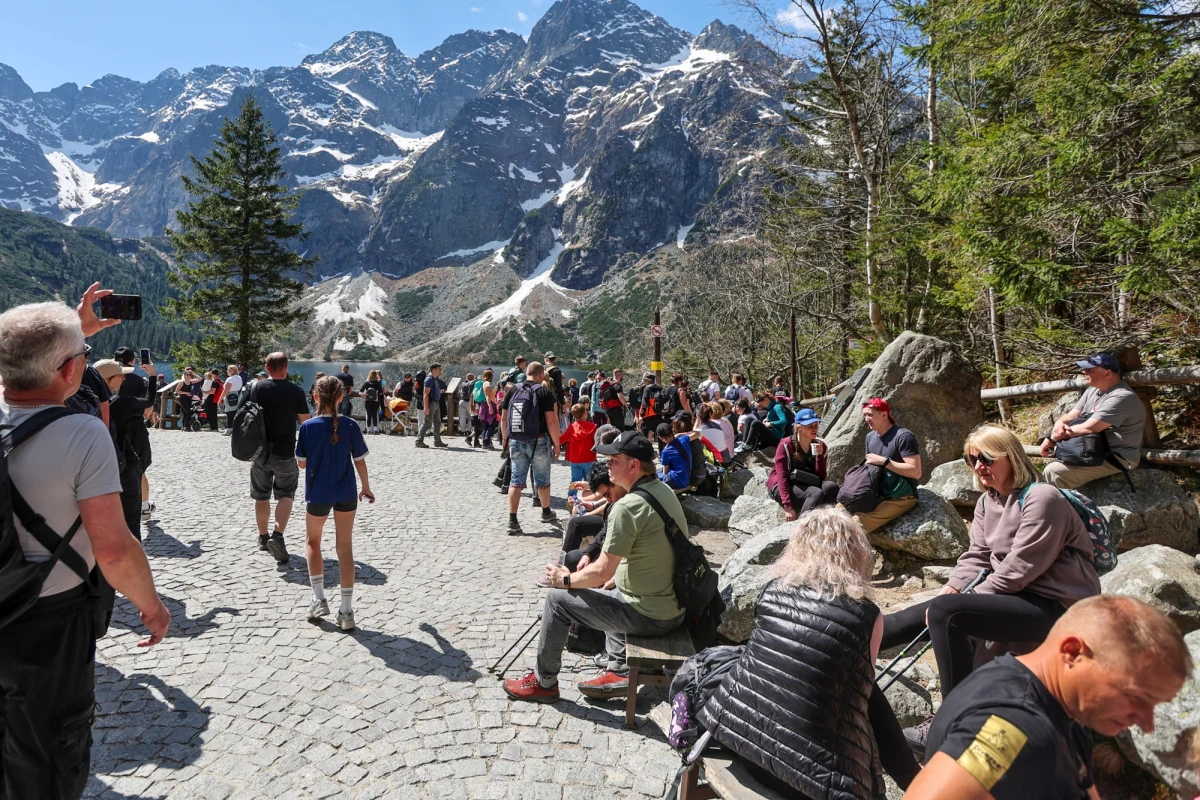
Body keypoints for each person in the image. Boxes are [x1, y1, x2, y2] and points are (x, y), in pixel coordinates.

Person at [0, 300, 170, 799]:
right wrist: (151, 607)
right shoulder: (81, 433)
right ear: (72, 369)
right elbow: (114, 550)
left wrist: (71, 331)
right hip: (48, 622)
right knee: (49, 756)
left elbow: (23, 353)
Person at [885, 424, 1103, 754]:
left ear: (1011, 457)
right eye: (971, 460)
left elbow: (1019, 569)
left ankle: (951, 722)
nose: (978, 467)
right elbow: (978, 555)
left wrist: (962, 601)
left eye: (986, 458)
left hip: (1057, 605)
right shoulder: (989, 502)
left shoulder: (1043, 498)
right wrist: (954, 587)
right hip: (1018, 597)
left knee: (946, 613)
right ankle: (849, 655)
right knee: (919, 614)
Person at [699, 507, 920, 798]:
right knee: (866, 694)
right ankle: (917, 782)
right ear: (856, 553)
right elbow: (860, 693)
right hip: (808, 781)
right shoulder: (868, 616)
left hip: (740, 741)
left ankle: (915, 781)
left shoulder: (773, 591)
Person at [904, 595, 1191, 800]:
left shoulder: (1065, 713)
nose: (1147, 723)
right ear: (1073, 652)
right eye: (1137, 697)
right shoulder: (1013, 724)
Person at [503, 431, 684, 703]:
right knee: (607, 588)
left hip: (651, 614)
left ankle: (545, 683)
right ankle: (619, 670)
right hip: (673, 604)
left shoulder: (629, 506)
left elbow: (602, 570)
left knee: (556, 599)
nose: (607, 466)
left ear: (633, 465)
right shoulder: (661, 491)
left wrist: (565, 579)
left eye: (613, 461)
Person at [297, 376, 374, 632]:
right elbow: (359, 461)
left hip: (318, 493)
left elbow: (301, 463)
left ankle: (318, 599)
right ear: (341, 397)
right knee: (345, 547)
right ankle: (346, 610)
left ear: (316, 397)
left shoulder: (308, 427)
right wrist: (366, 486)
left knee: (312, 542)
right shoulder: (351, 425)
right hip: (347, 492)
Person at [1040, 353, 1147, 490]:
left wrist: (1052, 438)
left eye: (1090, 370)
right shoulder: (1093, 390)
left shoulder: (1122, 397)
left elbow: (1089, 428)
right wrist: (1060, 423)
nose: (1084, 372)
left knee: (1054, 472)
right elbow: (1072, 415)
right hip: (1093, 450)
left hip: (1117, 457)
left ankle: (1065, 511)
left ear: (1107, 373)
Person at [247, 352, 311, 564]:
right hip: (284, 451)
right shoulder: (296, 391)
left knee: (261, 495)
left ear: (267, 368)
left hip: (258, 451)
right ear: (286, 367)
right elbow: (305, 422)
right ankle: (278, 535)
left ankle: (263, 537)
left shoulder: (256, 388)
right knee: (286, 494)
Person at [95, 357, 158, 539]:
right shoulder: (122, 402)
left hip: (98, 466)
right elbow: (149, 400)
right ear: (108, 379)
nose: (124, 379)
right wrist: (152, 375)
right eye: (120, 376)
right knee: (131, 519)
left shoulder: (89, 400)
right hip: (123, 462)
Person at [501, 361, 561, 534]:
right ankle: (546, 511)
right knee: (542, 480)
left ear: (526, 373)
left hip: (516, 440)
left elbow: (504, 418)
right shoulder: (544, 392)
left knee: (516, 479)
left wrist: (505, 440)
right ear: (541, 375)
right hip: (539, 440)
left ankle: (512, 520)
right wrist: (557, 444)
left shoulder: (512, 390)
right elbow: (551, 421)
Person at [853, 398, 922, 533]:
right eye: (865, 415)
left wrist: (884, 461)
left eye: (870, 414)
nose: (867, 419)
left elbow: (916, 471)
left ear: (884, 415)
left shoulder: (903, 436)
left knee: (854, 525)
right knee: (839, 511)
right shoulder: (870, 437)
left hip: (901, 496)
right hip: (878, 491)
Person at [767, 407, 838, 520]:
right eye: (810, 426)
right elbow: (782, 475)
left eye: (816, 425)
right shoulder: (785, 445)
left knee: (831, 487)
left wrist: (820, 457)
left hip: (804, 481)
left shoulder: (820, 445)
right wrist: (788, 506)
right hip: (783, 485)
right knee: (815, 493)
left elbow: (821, 477)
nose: (814, 429)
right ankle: (802, 527)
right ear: (798, 427)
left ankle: (825, 521)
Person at [114, 346, 155, 519]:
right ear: (133, 361)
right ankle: (144, 506)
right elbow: (147, 411)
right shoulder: (140, 382)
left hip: (113, 426)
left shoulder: (107, 378)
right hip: (135, 428)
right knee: (139, 469)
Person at [559, 404, 597, 502]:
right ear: (585, 413)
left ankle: (571, 497)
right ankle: (590, 498)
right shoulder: (592, 427)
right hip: (589, 459)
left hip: (575, 460)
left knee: (575, 480)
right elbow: (597, 442)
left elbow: (562, 440)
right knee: (589, 481)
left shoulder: (571, 427)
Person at [414, 364, 448, 449]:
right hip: (431, 403)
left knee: (437, 422)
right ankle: (419, 441)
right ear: (433, 369)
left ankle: (437, 441)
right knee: (427, 423)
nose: (440, 371)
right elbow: (425, 394)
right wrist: (426, 407)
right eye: (438, 369)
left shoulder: (435, 379)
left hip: (436, 402)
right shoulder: (429, 379)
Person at [656, 421, 692, 491]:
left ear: (661, 438)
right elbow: (697, 433)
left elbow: (665, 473)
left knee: (652, 476)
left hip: (677, 482)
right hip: (686, 479)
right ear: (672, 431)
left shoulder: (666, 452)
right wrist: (679, 434)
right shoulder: (684, 439)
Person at [477, 369, 499, 449]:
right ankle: (486, 440)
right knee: (492, 424)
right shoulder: (487, 384)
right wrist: (490, 406)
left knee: (486, 425)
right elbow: (487, 396)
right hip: (488, 405)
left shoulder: (484, 383)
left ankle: (485, 442)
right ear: (490, 376)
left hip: (485, 405)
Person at [360, 369, 386, 435]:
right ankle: (375, 430)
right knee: (375, 415)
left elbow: (360, 391)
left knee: (368, 415)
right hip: (375, 401)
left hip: (367, 401)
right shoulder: (377, 383)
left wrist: (364, 396)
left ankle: (368, 430)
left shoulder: (366, 383)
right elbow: (381, 393)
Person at [223, 364, 244, 433]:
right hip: (238, 396)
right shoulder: (239, 377)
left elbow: (226, 390)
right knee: (236, 413)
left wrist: (220, 398)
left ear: (232, 371)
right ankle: (236, 429)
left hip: (230, 396)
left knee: (229, 414)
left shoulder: (230, 379)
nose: (227, 372)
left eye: (228, 370)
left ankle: (229, 429)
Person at [457, 371, 476, 439]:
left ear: (466, 378)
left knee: (462, 417)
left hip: (461, 401)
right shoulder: (473, 384)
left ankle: (463, 431)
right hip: (469, 402)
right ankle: (468, 430)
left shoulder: (462, 383)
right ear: (473, 378)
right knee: (470, 417)